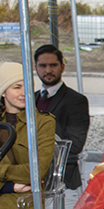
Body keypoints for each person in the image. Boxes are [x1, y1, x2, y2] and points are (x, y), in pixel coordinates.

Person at [0, 62, 56, 209]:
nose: (24, 92)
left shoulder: (42, 122)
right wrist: (10, 185)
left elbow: (37, 170)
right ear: (3, 92)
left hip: (24, 200)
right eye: (17, 87)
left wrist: (3, 173)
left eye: (27, 86)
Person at [34, 44, 90, 190]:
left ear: (62, 67)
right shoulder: (29, 100)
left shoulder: (76, 101)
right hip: (31, 176)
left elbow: (75, 145)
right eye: (43, 66)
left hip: (61, 181)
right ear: (35, 68)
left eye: (53, 65)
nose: (48, 70)